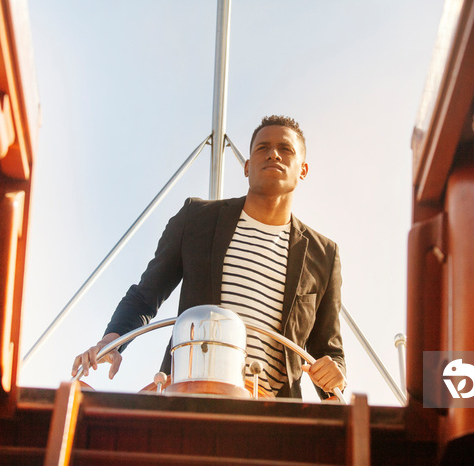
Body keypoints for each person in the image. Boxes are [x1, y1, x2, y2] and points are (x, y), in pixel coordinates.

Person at [72, 115, 346, 399]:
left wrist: (334, 373)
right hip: (189, 394)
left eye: (285, 149)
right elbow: (145, 295)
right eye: (262, 147)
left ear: (303, 169)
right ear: (247, 166)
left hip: (272, 415)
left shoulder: (324, 255)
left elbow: (327, 350)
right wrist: (111, 341)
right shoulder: (196, 219)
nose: (273, 154)